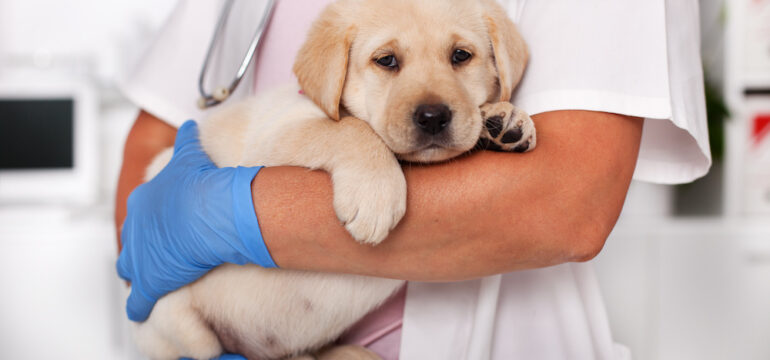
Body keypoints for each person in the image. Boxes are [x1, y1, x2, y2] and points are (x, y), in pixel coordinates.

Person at [115, 0, 711, 359]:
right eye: (387, 62)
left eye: (461, 58)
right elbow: (152, 139)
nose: (429, 103)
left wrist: (228, 215)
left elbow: (567, 204)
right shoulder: (335, 39)